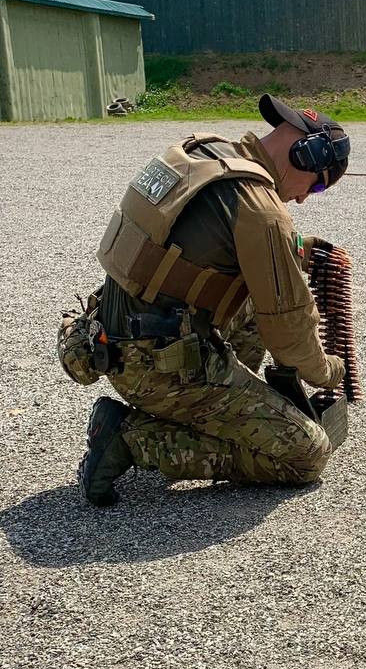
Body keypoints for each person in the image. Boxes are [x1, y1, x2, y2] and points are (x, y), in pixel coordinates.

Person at [70, 94, 351, 506]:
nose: (307, 197)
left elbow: (197, 246)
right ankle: (131, 439)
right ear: (305, 155)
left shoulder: (205, 153)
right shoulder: (261, 209)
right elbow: (290, 335)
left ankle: (225, 407)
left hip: (115, 340)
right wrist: (329, 371)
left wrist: (295, 249)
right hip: (157, 369)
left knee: (255, 303)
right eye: (319, 184)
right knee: (307, 454)